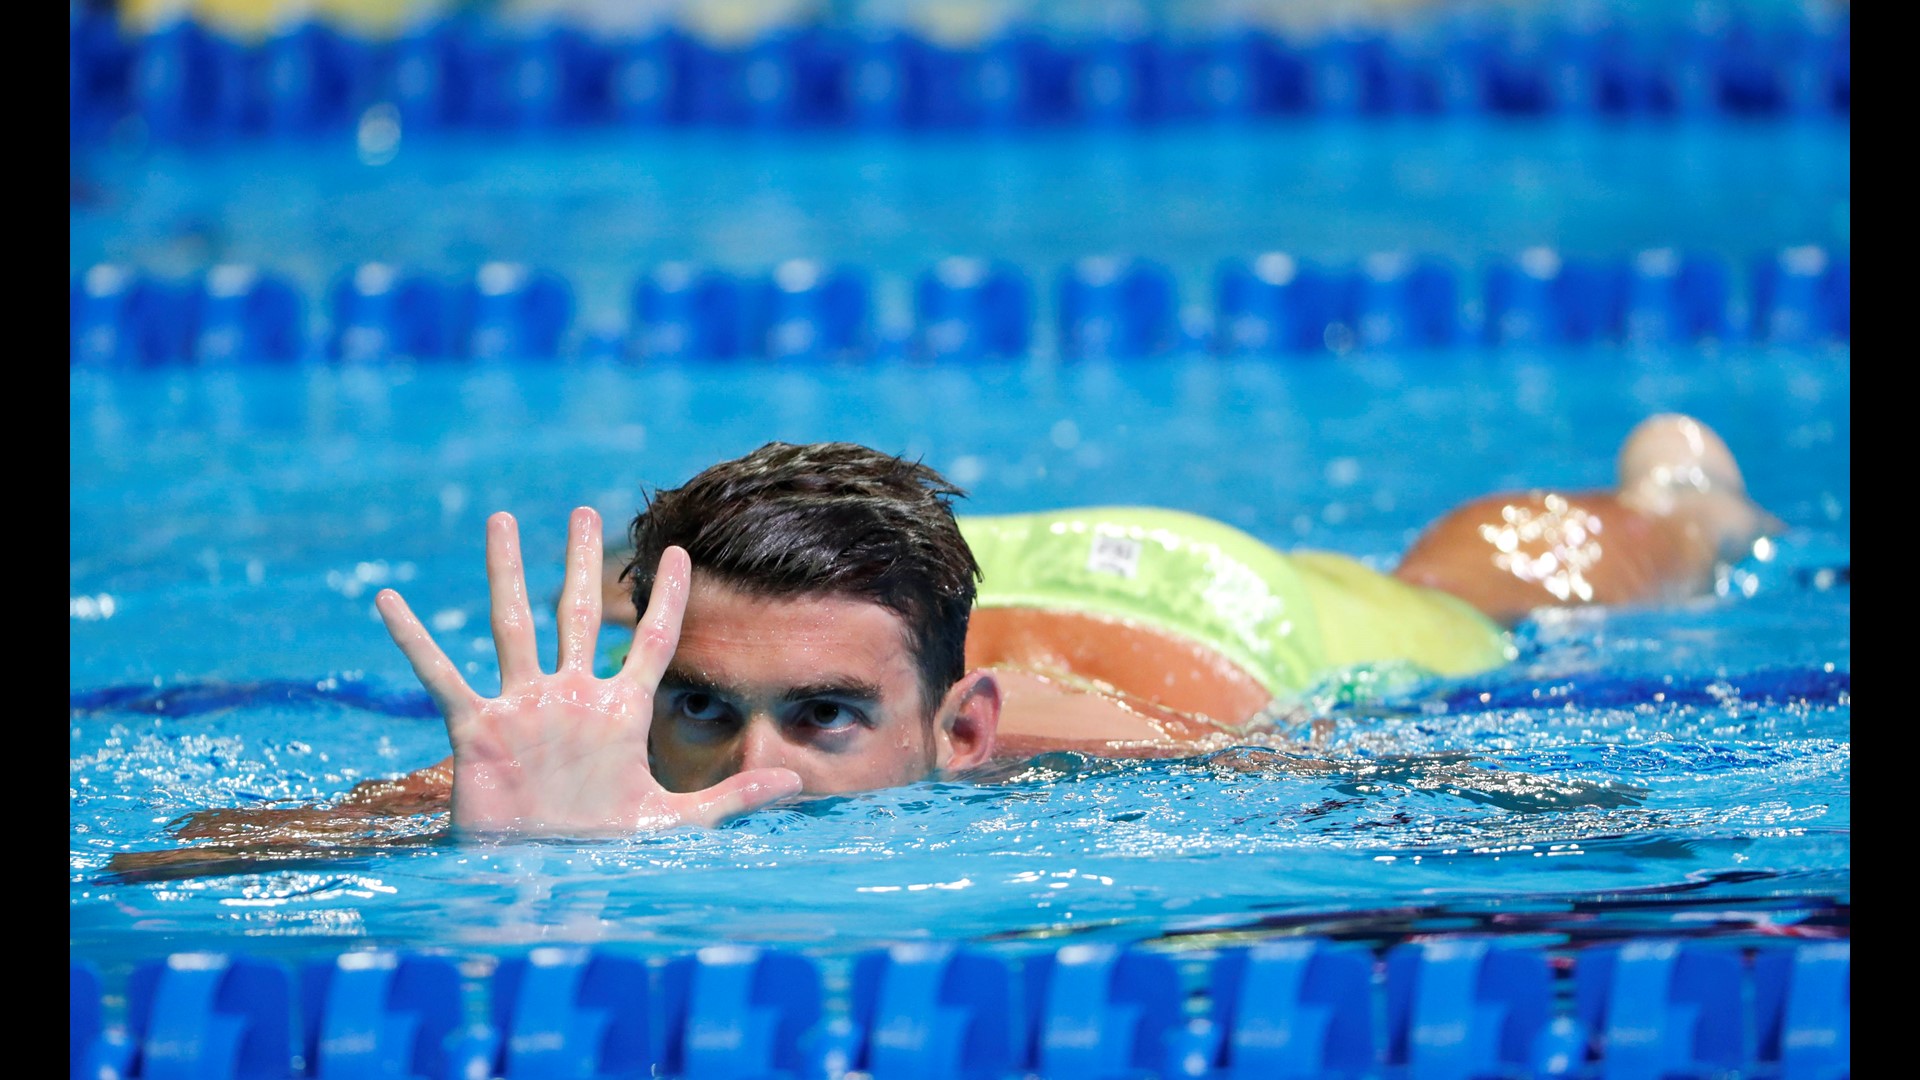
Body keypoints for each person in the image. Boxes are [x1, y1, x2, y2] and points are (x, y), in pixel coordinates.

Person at [125, 413, 1778, 859]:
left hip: (1196, 596)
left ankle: (1674, 498)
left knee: (1479, 584)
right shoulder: (616, 741)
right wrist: (482, 837)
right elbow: (173, 859)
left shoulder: (1081, 748)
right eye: (702, 710)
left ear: (959, 733)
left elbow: (1473, 807)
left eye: (823, 722)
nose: (754, 770)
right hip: (918, 592)